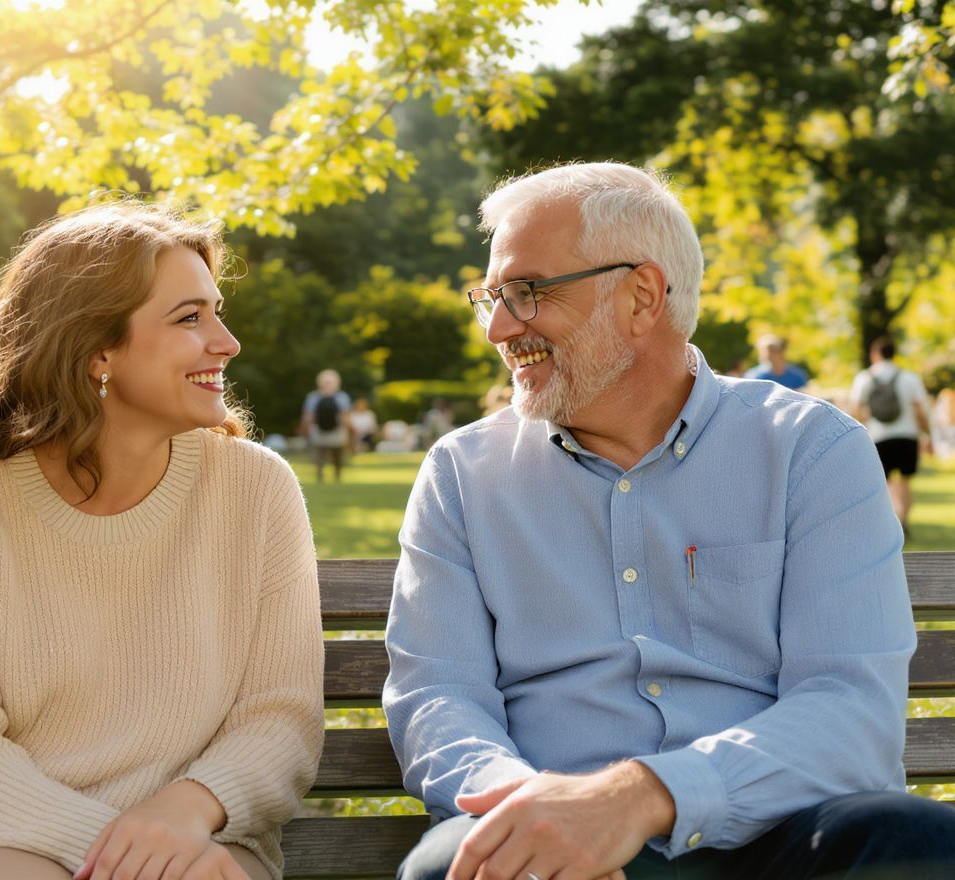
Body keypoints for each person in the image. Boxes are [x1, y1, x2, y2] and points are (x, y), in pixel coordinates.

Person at [383, 162, 955, 880]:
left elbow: (851, 712)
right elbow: (438, 696)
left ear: (642, 296)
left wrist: (642, 797)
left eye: (527, 293)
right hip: (557, 842)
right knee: (461, 868)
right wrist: (534, 810)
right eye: (492, 298)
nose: (499, 328)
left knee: (917, 843)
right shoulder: (461, 475)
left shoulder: (811, 450)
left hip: (783, 835)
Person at [0, 202, 324, 880]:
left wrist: (187, 810)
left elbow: (280, 720)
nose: (227, 342)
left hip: (193, 840)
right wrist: (120, 850)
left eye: (216, 310)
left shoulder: (258, 490)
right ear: (97, 353)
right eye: (190, 318)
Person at [849, 337, 931, 536]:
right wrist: (928, 435)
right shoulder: (909, 377)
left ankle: (888, 521)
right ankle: (903, 520)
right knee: (904, 481)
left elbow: (855, 408)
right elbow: (921, 409)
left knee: (883, 481)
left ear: (875, 354)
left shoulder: (865, 377)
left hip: (878, 436)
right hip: (906, 435)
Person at [301, 369, 350, 482]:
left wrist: (305, 429)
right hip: (336, 432)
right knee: (336, 456)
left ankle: (321, 476)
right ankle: (336, 476)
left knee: (321, 455)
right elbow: (345, 416)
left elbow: (308, 416)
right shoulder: (342, 397)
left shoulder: (313, 397)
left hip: (319, 431)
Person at [744, 333, 809, 389]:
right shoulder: (753, 377)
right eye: (765, 351)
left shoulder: (797, 375)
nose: (769, 354)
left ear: (781, 352)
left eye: (773, 350)